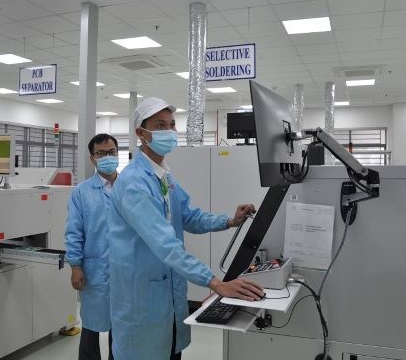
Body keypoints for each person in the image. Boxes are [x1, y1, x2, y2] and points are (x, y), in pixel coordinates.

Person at [108, 98, 265, 360]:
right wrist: (215, 283)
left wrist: (229, 221)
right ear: (141, 133)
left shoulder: (163, 176)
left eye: (172, 125)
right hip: (141, 297)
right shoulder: (134, 183)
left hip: (167, 294)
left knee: (169, 350)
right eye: (160, 125)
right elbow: (165, 244)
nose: (169, 131)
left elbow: (189, 216)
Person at [65, 133, 119, 360]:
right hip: (95, 270)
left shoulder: (132, 187)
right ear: (92, 158)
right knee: (90, 328)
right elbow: (74, 232)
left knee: (122, 327)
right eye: (101, 154)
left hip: (127, 269)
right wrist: (75, 266)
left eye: (111, 152)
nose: (107, 157)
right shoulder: (81, 192)